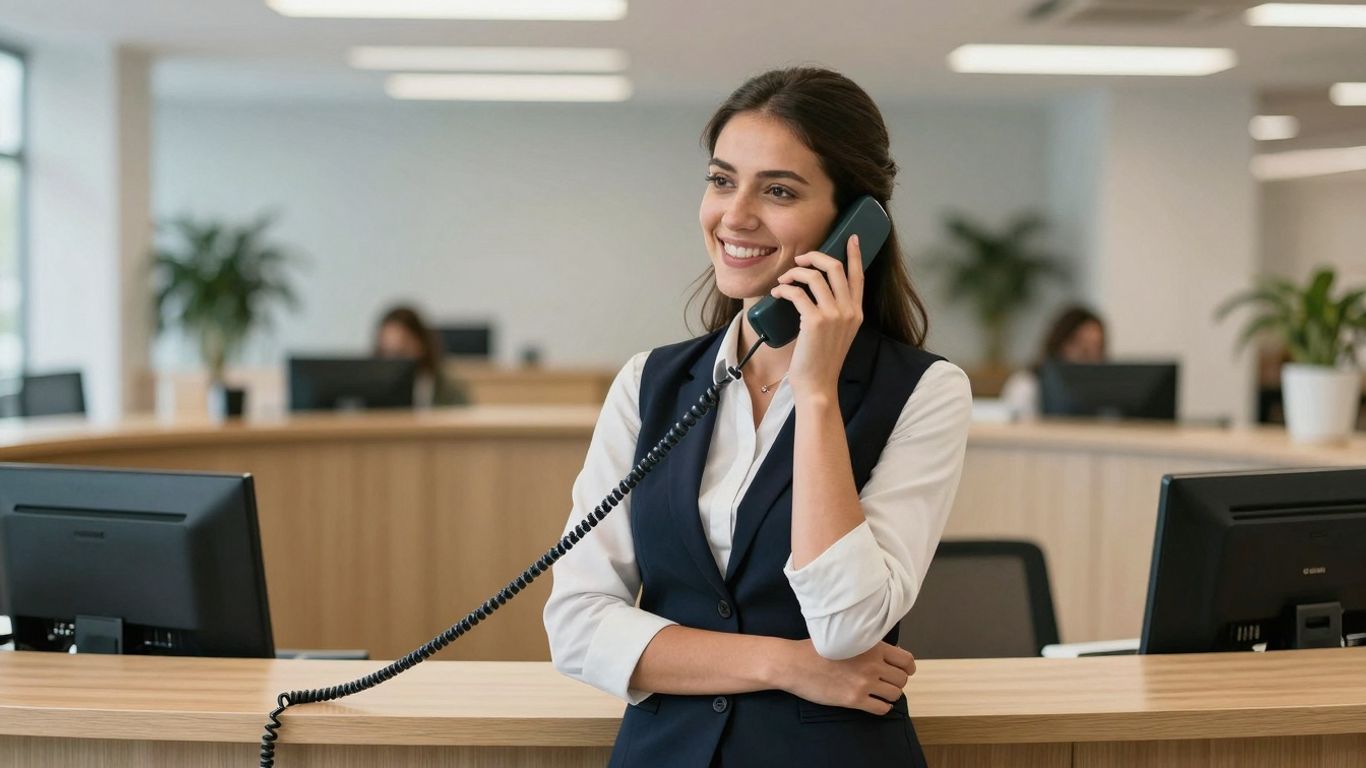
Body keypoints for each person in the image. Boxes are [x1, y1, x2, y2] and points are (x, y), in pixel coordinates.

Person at [543, 68, 972, 767]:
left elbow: (846, 626)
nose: (735, 215)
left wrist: (820, 394)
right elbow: (577, 626)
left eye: (778, 190)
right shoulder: (648, 386)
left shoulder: (925, 393)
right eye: (721, 180)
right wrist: (785, 665)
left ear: (854, 224)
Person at [999, 305, 1107, 419]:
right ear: (1061, 341)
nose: (1090, 356)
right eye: (1083, 347)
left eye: (1097, 347)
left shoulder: (1106, 394)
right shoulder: (1026, 385)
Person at [372, 304, 469, 407]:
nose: (393, 361)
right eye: (386, 352)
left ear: (421, 344)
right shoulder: (372, 390)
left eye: (402, 352)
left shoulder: (447, 386)